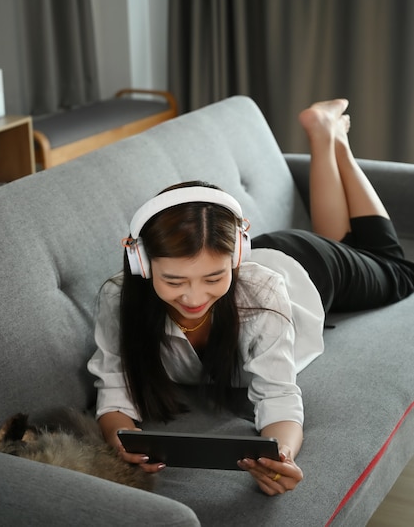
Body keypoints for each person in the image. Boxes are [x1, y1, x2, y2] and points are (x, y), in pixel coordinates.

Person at [88, 99, 414, 497]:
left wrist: (284, 454)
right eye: (174, 281)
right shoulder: (120, 298)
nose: (194, 297)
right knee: (347, 243)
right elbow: (115, 390)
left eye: (213, 278)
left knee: (397, 271)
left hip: (305, 264)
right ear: (140, 262)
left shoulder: (260, 293)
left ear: (236, 259)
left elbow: (278, 396)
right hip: (253, 261)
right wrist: (119, 439)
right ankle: (326, 134)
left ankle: (333, 140)